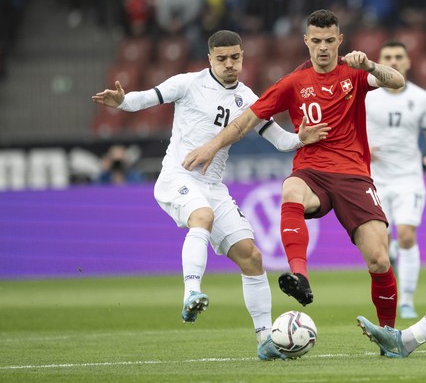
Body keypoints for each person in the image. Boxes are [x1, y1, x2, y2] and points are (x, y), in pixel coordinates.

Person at [92, 30, 329, 361]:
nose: (229, 64)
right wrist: (123, 102)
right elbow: (145, 98)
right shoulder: (188, 84)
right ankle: (191, 293)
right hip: (178, 176)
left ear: (243, 56)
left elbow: (280, 141)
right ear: (210, 60)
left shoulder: (248, 99)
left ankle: (264, 340)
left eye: (235, 57)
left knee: (253, 257)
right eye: (222, 59)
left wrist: (300, 137)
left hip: (214, 186)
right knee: (202, 217)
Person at [181, 9, 405, 328]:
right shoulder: (293, 82)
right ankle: (300, 274)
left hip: (354, 175)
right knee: (290, 189)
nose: (323, 47)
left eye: (329, 40)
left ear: (340, 40)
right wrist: (212, 145)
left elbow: (396, 81)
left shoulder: (353, 72)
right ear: (306, 41)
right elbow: (246, 120)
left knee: (379, 260)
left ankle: (389, 334)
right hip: (312, 172)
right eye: (316, 41)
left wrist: (369, 64)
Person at [365, 41, 426, 320]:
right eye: (388, 57)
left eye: (399, 57)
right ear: (380, 61)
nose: (394, 61)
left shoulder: (421, 98)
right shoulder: (367, 95)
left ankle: (407, 301)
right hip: (375, 180)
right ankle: (393, 290)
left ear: (408, 62)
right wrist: (363, 148)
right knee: (380, 246)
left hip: (409, 177)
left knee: (407, 235)